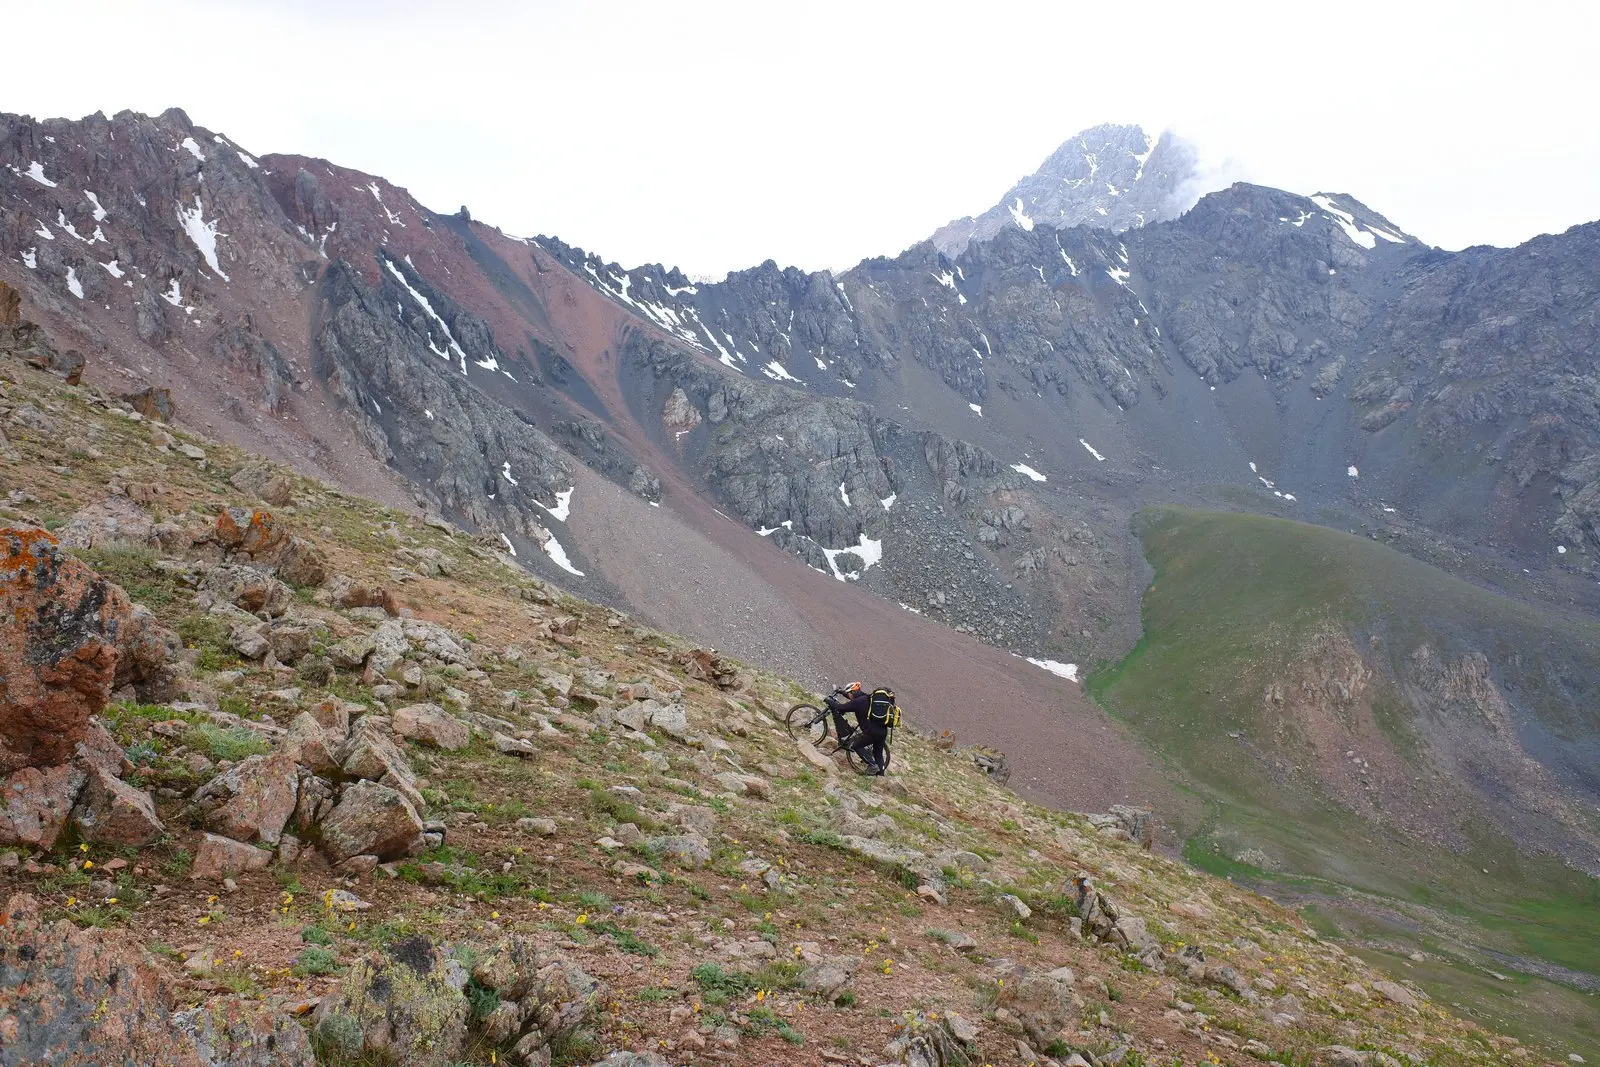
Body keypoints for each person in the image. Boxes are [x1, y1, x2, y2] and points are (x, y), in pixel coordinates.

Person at [824, 682, 867, 750]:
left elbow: (842, 707)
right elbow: (851, 697)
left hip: (867, 727)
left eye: (849, 693)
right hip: (868, 723)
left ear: (852, 692)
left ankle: (850, 744)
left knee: (856, 745)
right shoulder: (863, 697)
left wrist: (831, 702)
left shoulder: (857, 701)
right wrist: (841, 691)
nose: (848, 695)